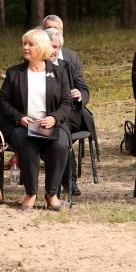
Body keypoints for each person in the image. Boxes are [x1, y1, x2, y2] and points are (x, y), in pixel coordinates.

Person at [0, 28, 74, 210]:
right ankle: (31, 193)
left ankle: (51, 194)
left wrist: (54, 118)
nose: (25, 47)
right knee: (27, 144)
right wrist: (20, 117)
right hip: (23, 126)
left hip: (53, 124)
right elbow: (3, 100)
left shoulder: (59, 72)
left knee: (59, 146)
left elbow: (67, 102)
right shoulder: (14, 73)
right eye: (24, 43)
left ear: (42, 48)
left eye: (31, 44)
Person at [47, 26, 93, 195]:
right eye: (50, 46)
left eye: (56, 47)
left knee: (62, 130)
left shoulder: (69, 63)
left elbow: (83, 87)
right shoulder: (34, 67)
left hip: (70, 112)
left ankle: (69, 181)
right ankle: (65, 181)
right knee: (59, 134)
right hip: (45, 115)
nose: (53, 50)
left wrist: (80, 94)